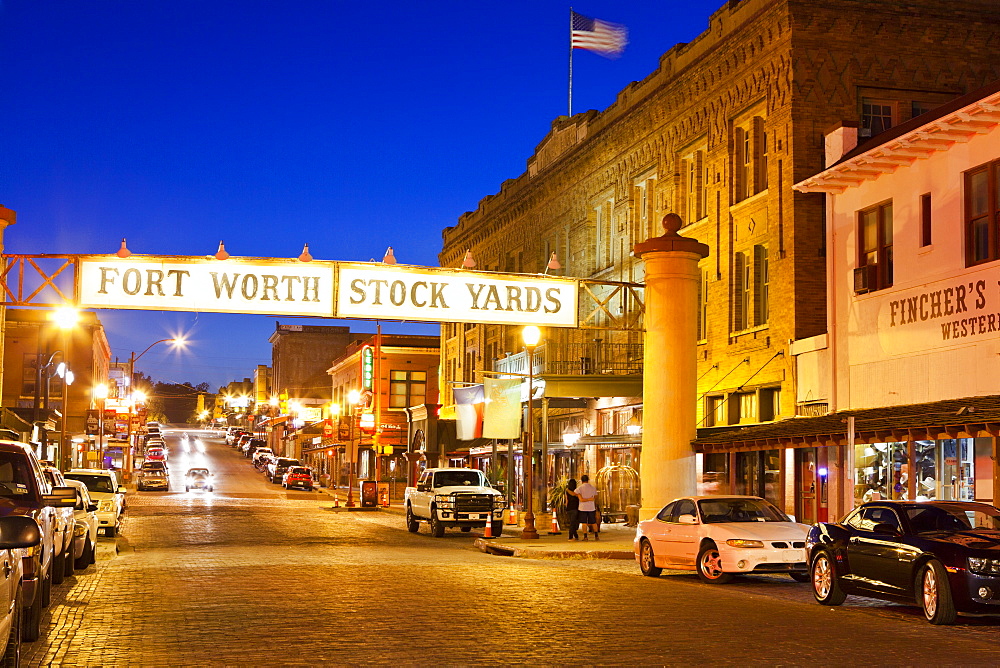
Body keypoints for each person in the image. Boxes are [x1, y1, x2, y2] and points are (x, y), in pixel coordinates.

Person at [576, 474, 600, 541]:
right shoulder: (593, 488)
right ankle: (596, 536)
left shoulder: (579, 489)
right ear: (588, 480)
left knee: (584, 523)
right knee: (593, 522)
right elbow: (595, 497)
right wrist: (589, 499)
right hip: (591, 507)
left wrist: (585, 499)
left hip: (582, 508)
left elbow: (581, 499)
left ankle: (585, 537)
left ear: (581, 480)